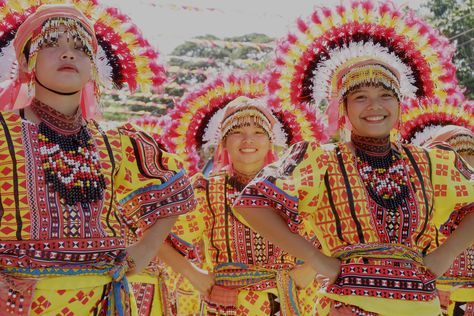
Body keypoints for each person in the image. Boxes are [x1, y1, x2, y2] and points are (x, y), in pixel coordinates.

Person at [233, 2, 474, 315]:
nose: (374, 106)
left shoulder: (431, 163)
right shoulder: (321, 161)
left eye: (385, 95)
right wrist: (318, 260)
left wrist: (444, 256)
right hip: (350, 303)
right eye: (361, 97)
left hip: (421, 307)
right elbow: (252, 202)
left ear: (400, 105)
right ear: (343, 109)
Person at [0, 4, 195, 315]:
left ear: (93, 66)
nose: (68, 54)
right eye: (51, 43)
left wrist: (145, 249)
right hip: (20, 301)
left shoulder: (114, 140)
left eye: (80, 48)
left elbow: (174, 187)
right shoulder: (3, 132)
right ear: (25, 60)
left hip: (103, 300)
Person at [161, 96, 320, 315]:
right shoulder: (207, 190)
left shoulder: (292, 188)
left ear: (270, 141)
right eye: (237, 132)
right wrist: (195, 275)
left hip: (285, 300)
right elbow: (160, 240)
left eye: (258, 132)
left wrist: (309, 270)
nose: (248, 140)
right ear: (224, 141)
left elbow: (332, 232)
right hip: (227, 304)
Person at [423, 125, 474, 316]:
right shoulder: (424, 202)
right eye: (459, 157)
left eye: (471, 155)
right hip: (433, 292)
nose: (467, 164)